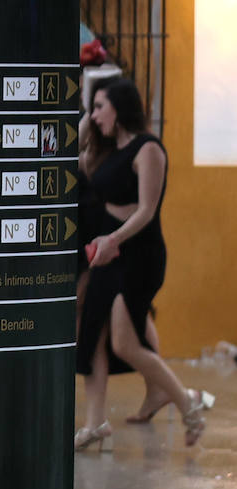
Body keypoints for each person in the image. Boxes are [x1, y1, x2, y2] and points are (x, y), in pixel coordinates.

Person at [75, 77, 210, 450]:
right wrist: (89, 114)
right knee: (93, 338)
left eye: (101, 106)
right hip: (109, 251)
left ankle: (187, 404)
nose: (95, 114)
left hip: (138, 255)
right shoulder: (105, 151)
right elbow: (75, 149)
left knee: (123, 343)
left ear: (119, 107)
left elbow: (148, 210)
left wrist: (112, 239)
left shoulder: (148, 148)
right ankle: (95, 424)